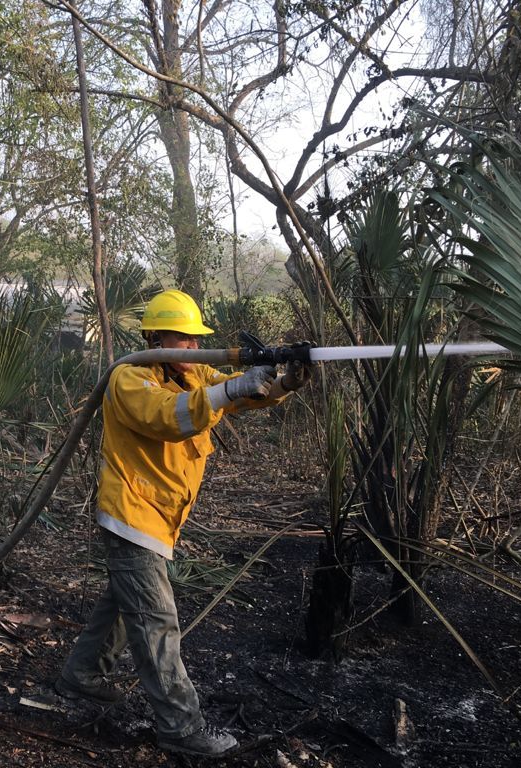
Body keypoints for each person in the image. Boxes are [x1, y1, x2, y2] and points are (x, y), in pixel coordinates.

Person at [55, 288, 312, 758]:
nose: (194, 349)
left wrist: (282, 383)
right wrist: (230, 388)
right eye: (184, 340)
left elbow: (241, 391)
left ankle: (82, 673)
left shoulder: (193, 372)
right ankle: (180, 726)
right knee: (156, 621)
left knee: (122, 601)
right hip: (131, 515)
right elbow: (169, 418)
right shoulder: (131, 379)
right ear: (156, 337)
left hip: (158, 518)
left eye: (197, 340)